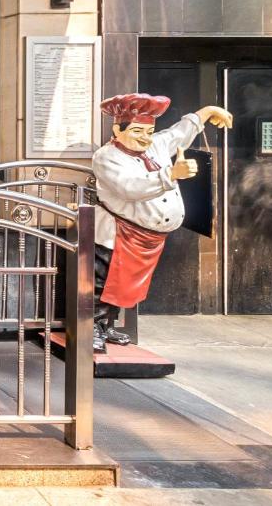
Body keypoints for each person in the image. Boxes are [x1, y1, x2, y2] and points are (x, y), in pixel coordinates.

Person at [91, 93, 232, 352]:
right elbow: (129, 188)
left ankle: (108, 325)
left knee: (126, 287)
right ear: (117, 130)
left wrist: (206, 112)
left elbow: (178, 133)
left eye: (149, 131)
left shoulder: (154, 146)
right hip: (119, 233)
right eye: (137, 131)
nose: (145, 137)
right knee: (104, 283)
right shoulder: (106, 157)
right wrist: (171, 174)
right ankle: (93, 327)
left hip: (149, 237)